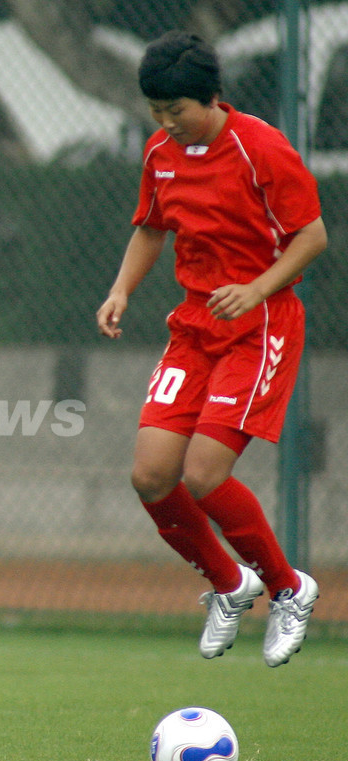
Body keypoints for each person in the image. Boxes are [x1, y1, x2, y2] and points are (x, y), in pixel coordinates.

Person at [96, 31, 326, 667]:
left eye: (179, 111)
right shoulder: (161, 153)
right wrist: (120, 291)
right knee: (150, 475)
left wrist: (255, 290)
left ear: (214, 98)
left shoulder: (261, 150)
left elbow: (311, 236)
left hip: (261, 323)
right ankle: (230, 584)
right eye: (157, 113)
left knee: (203, 474)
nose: (168, 123)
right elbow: (150, 227)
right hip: (195, 326)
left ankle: (288, 588)